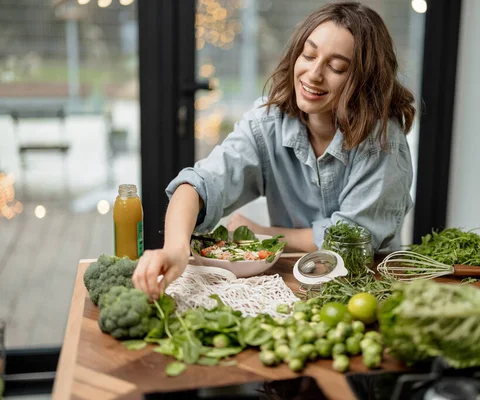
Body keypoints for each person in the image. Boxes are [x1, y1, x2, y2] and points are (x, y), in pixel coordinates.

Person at [133, 1, 416, 299]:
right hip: (291, 285)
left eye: (336, 67)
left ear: (364, 82)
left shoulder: (384, 142)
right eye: (308, 55)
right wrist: (175, 249)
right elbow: (197, 185)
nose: (314, 73)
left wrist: (265, 234)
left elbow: (349, 242)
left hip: (366, 289)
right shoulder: (267, 123)